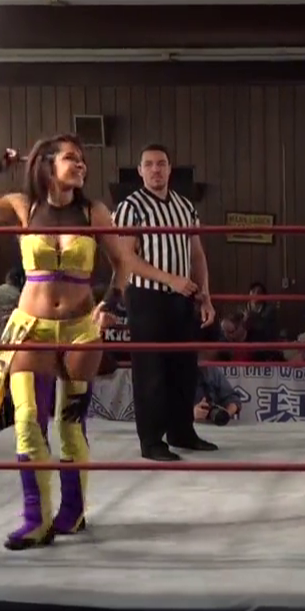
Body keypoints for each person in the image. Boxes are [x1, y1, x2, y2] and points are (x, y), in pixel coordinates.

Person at [0, 134, 137, 550]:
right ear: (47, 164)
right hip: (32, 326)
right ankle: (36, 519)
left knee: (71, 424)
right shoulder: (22, 206)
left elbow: (122, 263)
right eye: (71, 158)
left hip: (81, 326)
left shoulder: (94, 211)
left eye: (83, 160)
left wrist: (111, 304)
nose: (81, 165)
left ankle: (73, 511)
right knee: (28, 420)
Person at [112, 144, 217, 461]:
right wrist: (169, 279)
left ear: (170, 169)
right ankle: (151, 441)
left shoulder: (185, 206)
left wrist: (206, 295)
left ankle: (182, 431)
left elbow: (196, 253)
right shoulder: (131, 207)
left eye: (161, 164)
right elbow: (126, 257)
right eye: (149, 164)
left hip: (183, 297)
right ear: (140, 171)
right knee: (151, 371)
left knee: (184, 368)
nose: (155, 169)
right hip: (148, 297)